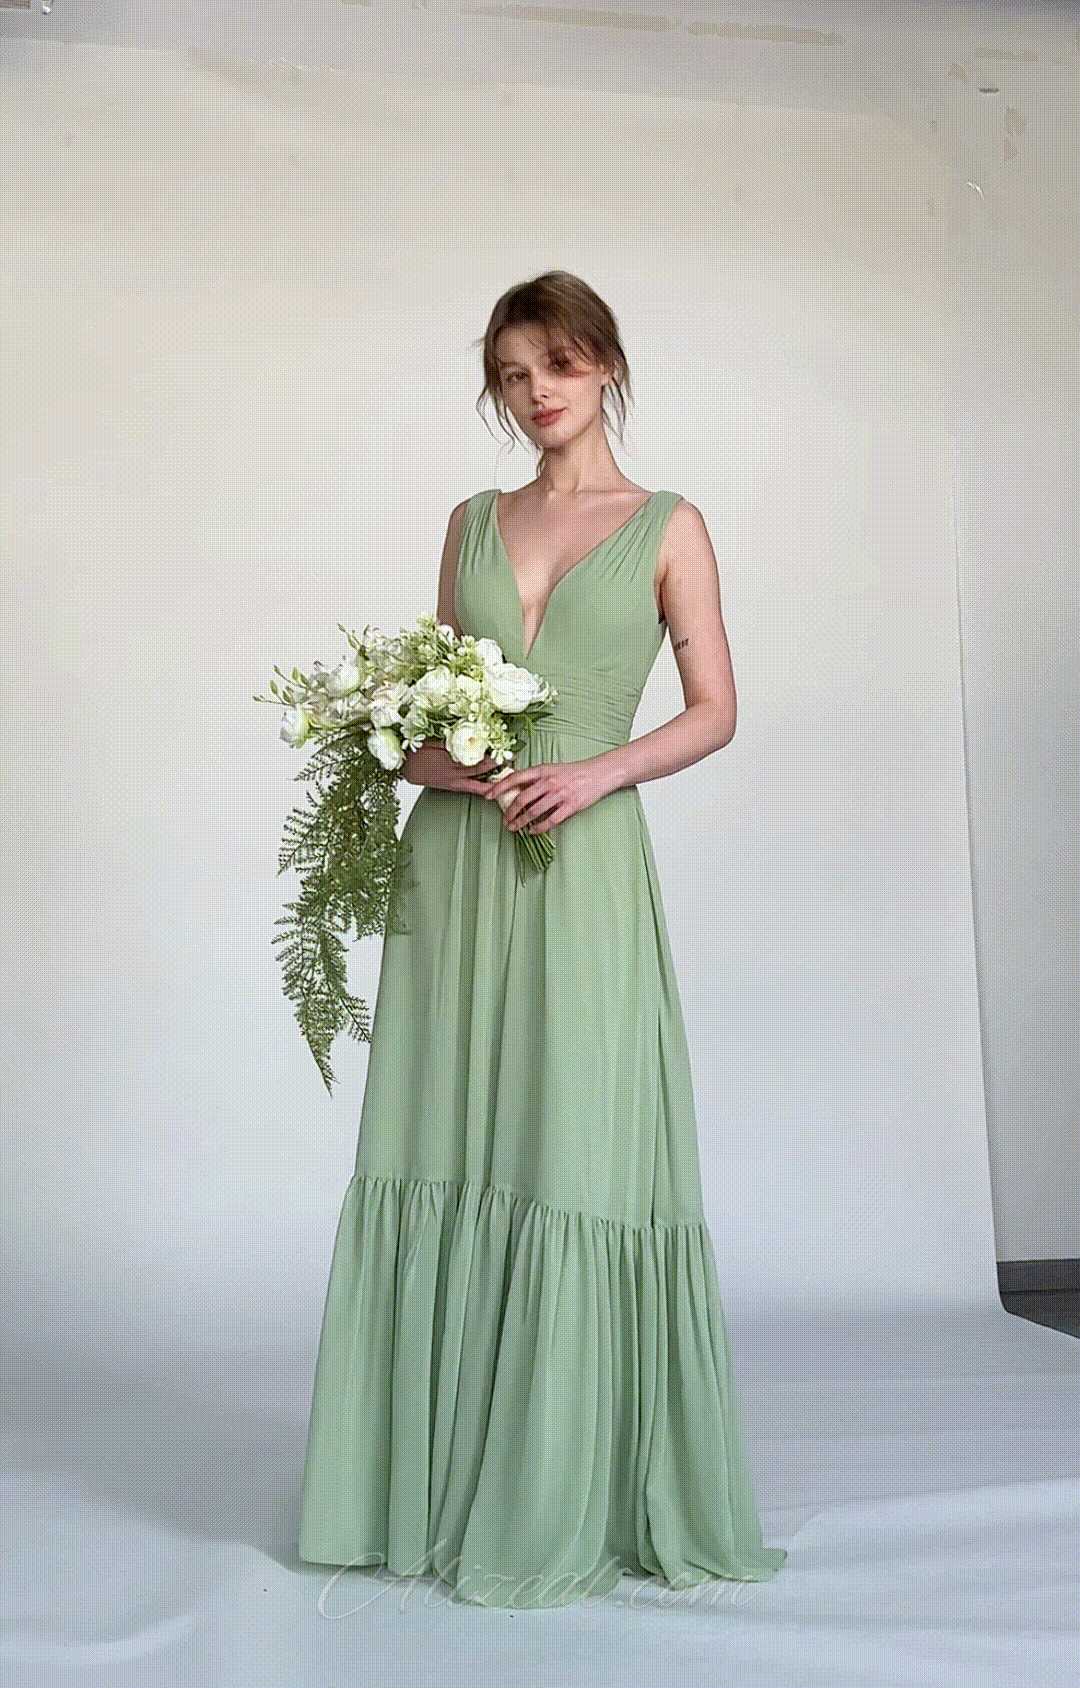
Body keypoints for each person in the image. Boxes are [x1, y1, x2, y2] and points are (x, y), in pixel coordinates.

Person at [296, 270, 787, 1607]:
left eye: (558, 364)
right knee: (445, 1138)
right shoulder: (470, 522)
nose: (536, 392)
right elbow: (414, 722)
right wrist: (441, 765)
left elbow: (717, 708)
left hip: (584, 858)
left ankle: (561, 1482)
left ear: (606, 365)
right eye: (513, 374)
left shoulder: (668, 525)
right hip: (457, 864)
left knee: (568, 1141)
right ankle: (428, 1486)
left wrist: (598, 771)